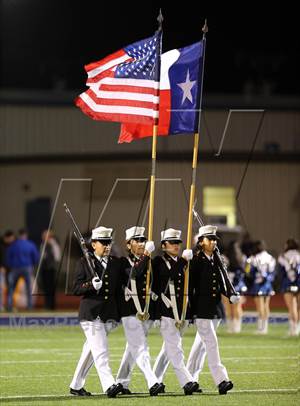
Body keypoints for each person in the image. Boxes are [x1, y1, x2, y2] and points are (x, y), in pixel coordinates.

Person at [69, 226, 123, 398]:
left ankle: (76, 385)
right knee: (101, 350)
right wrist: (91, 285)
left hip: (108, 315)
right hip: (90, 314)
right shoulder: (84, 263)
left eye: (109, 243)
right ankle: (110, 385)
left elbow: (118, 290)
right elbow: (76, 288)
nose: (107, 246)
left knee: (91, 351)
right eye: (103, 243)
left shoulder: (115, 263)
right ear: (93, 245)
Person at [190, 225, 239, 395]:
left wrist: (230, 294)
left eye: (214, 239)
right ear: (201, 242)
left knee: (201, 347)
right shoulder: (196, 261)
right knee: (211, 343)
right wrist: (190, 311)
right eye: (209, 239)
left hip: (215, 309)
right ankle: (221, 380)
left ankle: (189, 379)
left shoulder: (217, 260)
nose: (212, 242)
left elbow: (222, 282)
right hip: (202, 310)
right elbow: (190, 288)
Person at [115, 226, 163, 396]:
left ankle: (121, 382)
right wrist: (146, 256)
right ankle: (152, 381)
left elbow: (155, 287)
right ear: (129, 245)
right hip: (130, 311)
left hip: (147, 311)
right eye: (138, 240)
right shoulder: (122, 262)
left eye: (143, 240)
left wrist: (157, 314)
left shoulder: (149, 262)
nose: (142, 243)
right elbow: (133, 275)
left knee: (133, 347)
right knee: (141, 347)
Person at [152, 228, 199, 395]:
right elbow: (168, 276)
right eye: (172, 243)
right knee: (175, 348)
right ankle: (187, 381)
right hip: (166, 310)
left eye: (178, 243)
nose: (176, 246)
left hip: (182, 312)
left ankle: (155, 380)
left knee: (168, 350)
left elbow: (188, 288)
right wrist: (184, 261)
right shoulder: (158, 262)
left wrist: (191, 312)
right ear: (163, 245)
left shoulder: (183, 261)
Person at [245, 240, 276, 334]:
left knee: (260, 306)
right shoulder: (270, 258)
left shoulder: (254, 258)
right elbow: (272, 272)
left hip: (258, 284)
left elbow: (248, 272)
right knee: (266, 306)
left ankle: (261, 328)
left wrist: (248, 263)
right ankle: (264, 327)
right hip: (268, 284)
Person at [5, 228, 39, 311]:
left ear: (19, 235)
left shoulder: (13, 245)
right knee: (29, 288)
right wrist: (33, 265)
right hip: (27, 267)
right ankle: (30, 306)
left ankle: (9, 306)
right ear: (26, 235)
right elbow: (36, 257)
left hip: (15, 268)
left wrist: (11, 266)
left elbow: (8, 257)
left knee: (11, 287)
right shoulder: (30, 244)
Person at [223, 241, 248, 333]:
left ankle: (230, 328)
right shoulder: (242, 257)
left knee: (228, 307)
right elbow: (246, 272)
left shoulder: (224, 257)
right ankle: (237, 327)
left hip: (227, 286)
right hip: (238, 286)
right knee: (237, 307)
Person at [277, 238, 300, 336]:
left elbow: (281, 273)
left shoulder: (282, 256)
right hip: (299, 282)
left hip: (288, 284)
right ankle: (297, 329)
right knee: (299, 307)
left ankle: (293, 330)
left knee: (292, 307)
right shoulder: (299, 255)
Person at [39, 230, 61, 310]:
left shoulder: (53, 244)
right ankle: (47, 304)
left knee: (50, 287)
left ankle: (51, 305)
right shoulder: (43, 244)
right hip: (44, 268)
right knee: (46, 287)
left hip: (50, 269)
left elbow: (57, 256)